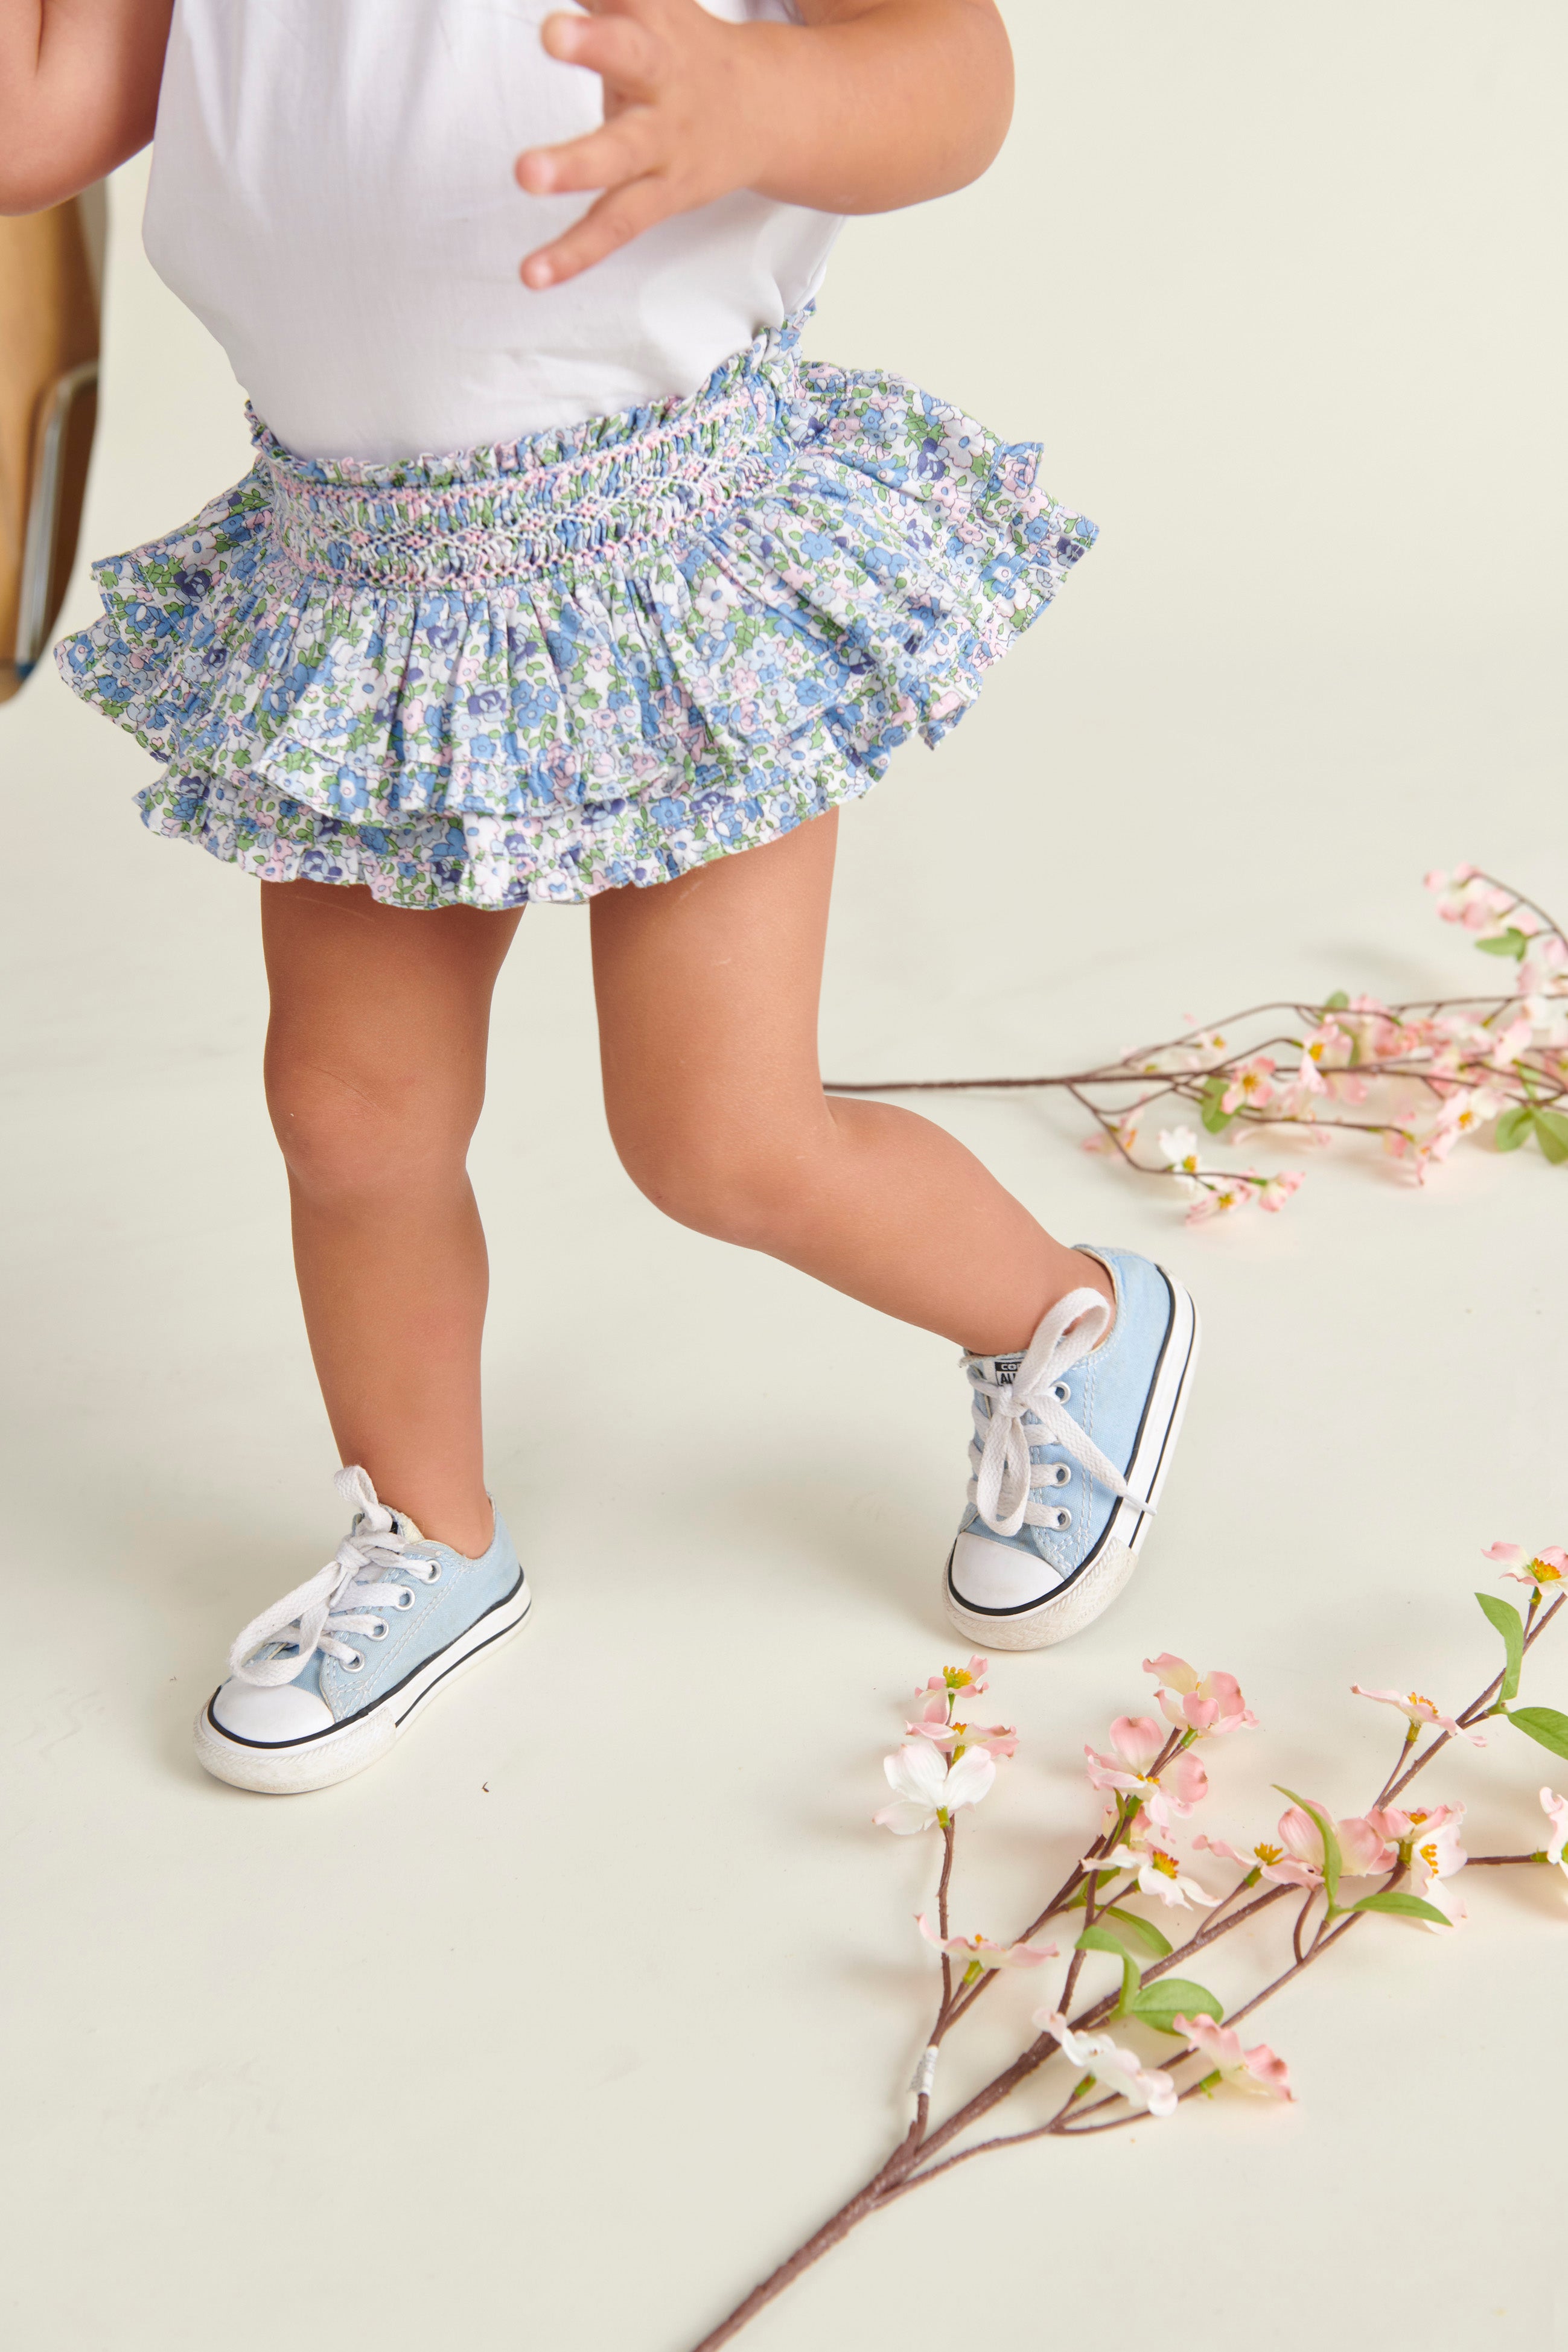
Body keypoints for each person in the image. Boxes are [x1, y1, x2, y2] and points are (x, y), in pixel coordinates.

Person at [2, 0, 1199, 1796]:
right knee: (345, 1116)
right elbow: (44, 116)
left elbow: (957, 77)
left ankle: (1069, 1317)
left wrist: (763, 92)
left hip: (666, 558)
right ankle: (430, 1537)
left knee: (719, 1134)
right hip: (354, 570)